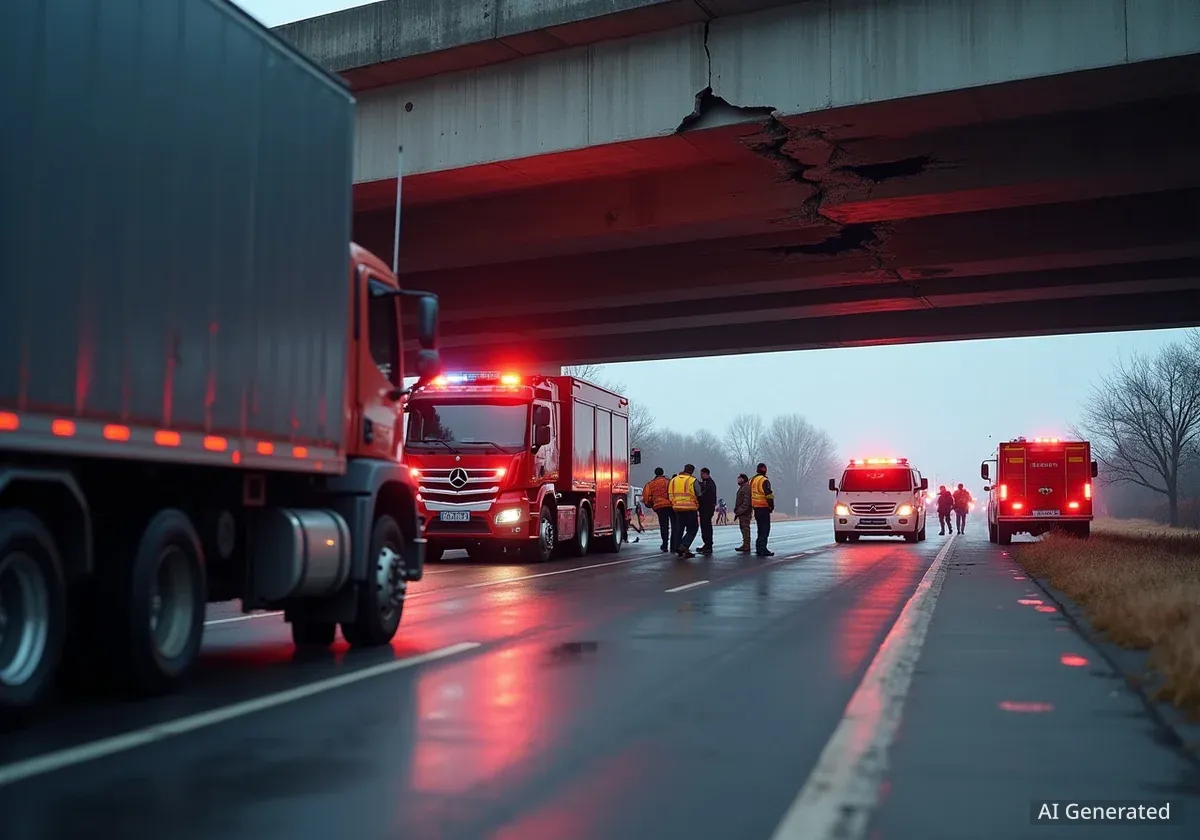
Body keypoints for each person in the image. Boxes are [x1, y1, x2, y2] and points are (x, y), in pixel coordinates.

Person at [669, 463, 701, 558]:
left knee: (679, 529)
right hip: (690, 508)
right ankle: (684, 546)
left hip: (677, 508)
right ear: (692, 471)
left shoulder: (674, 480)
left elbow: (670, 493)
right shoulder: (692, 480)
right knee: (693, 528)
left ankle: (678, 548)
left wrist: (674, 503)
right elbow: (698, 494)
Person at [642, 468, 674, 552]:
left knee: (664, 526)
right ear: (663, 473)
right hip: (670, 506)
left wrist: (650, 505)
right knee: (675, 525)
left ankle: (665, 545)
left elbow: (646, 497)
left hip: (659, 507)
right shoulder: (669, 481)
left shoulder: (650, 484)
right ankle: (674, 544)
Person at [750, 462, 775, 557]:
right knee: (765, 529)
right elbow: (768, 494)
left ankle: (758, 547)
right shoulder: (764, 480)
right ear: (765, 470)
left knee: (760, 529)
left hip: (756, 508)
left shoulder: (752, 480)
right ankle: (763, 549)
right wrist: (771, 505)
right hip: (764, 507)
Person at [696, 467, 717, 555]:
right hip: (704, 508)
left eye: (702, 474)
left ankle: (708, 546)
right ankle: (706, 545)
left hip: (707, 508)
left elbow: (706, 496)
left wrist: (699, 497)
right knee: (704, 527)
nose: (701, 476)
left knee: (706, 526)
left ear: (706, 474)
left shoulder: (710, 484)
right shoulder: (706, 483)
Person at [733, 474, 752, 552]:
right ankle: (745, 544)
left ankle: (746, 545)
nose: (738, 480)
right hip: (742, 512)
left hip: (745, 512)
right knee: (743, 528)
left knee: (745, 528)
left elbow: (746, 501)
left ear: (743, 479)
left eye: (739, 478)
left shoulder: (746, 488)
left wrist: (740, 510)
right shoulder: (743, 488)